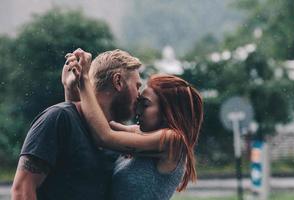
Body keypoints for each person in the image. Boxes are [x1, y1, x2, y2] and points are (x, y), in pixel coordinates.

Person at [63, 49, 204, 200]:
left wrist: (84, 79)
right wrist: (71, 86)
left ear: (167, 111)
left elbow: (104, 137)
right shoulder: (143, 135)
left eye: (145, 104)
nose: (138, 109)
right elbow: (89, 125)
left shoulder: (173, 141)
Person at [11, 49, 143, 200]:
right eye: (137, 86)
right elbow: (22, 191)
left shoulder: (115, 139)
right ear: (118, 81)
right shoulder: (59, 118)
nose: (140, 96)